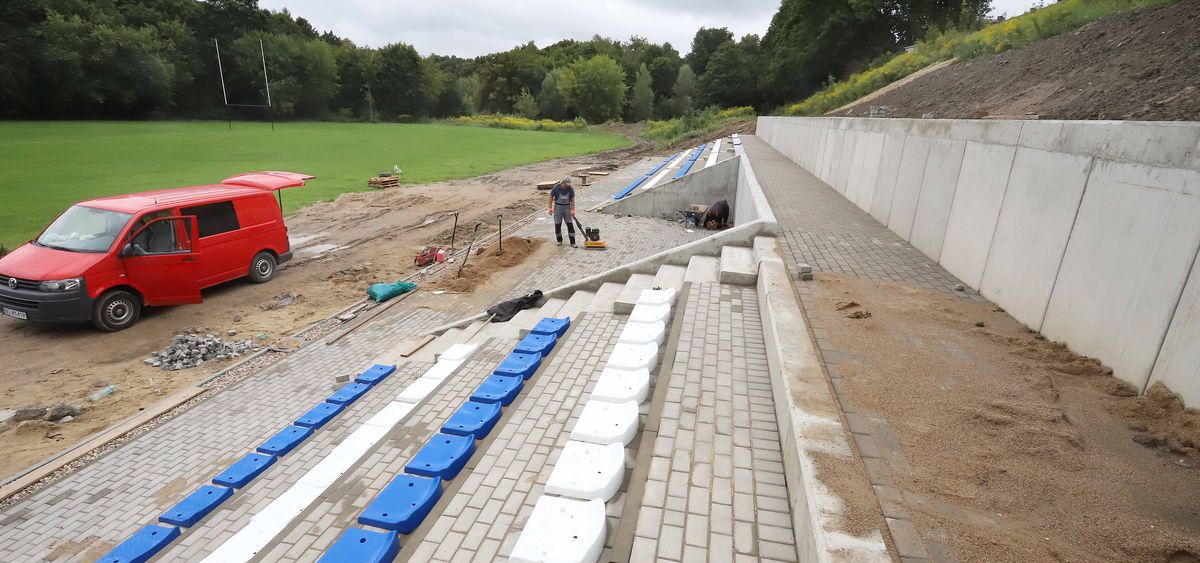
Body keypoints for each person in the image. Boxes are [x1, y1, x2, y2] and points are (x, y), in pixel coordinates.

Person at [548, 176, 576, 246]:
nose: (567, 186)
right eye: (566, 184)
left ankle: (573, 242)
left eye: (568, 185)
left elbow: (572, 200)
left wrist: (572, 210)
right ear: (563, 182)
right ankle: (559, 240)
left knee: (570, 225)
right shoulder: (556, 187)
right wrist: (550, 208)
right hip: (558, 208)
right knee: (557, 225)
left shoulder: (570, 189)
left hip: (567, 209)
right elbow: (550, 197)